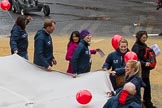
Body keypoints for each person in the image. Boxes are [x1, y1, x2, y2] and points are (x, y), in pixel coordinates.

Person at [132, 31, 156, 108]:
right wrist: (144, 63)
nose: (145, 39)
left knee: (147, 89)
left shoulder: (144, 45)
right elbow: (135, 59)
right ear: (139, 37)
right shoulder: (136, 47)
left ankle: (147, 103)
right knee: (138, 89)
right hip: (139, 71)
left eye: (146, 37)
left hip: (145, 71)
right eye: (143, 37)